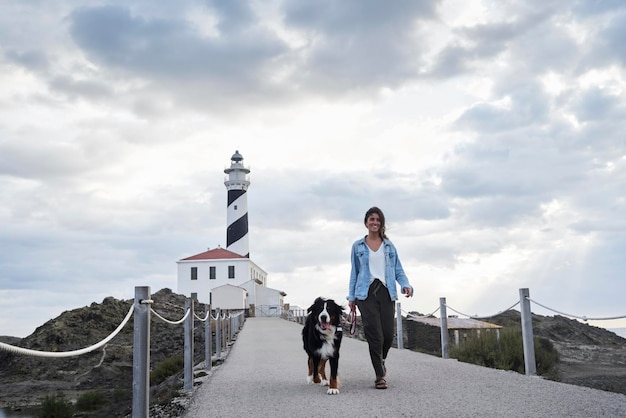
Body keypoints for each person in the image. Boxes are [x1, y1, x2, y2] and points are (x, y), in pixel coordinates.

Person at [347, 206, 413, 389]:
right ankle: (379, 376)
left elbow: (398, 270)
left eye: (377, 220)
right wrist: (351, 297)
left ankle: (381, 360)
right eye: (371, 219)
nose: (374, 222)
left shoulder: (389, 246)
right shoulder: (357, 246)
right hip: (365, 294)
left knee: (387, 335)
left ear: (381, 223)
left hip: (386, 292)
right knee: (374, 334)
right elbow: (355, 272)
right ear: (366, 222)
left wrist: (406, 285)